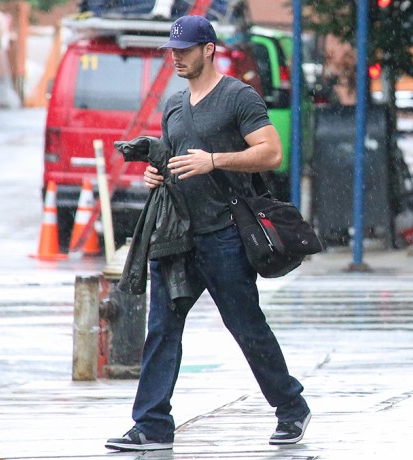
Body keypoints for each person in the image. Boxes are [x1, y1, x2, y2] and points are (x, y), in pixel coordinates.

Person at [105, 15, 310, 451]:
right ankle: (152, 425)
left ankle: (291, 408)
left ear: (209, 49)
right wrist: (155, 173)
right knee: (162, 328)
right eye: (173, 51)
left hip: (225, 235)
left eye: (185, 50)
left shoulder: (239, 97)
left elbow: (271, 153)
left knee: (246, 327)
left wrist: (214, 160)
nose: (177, 57)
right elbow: (175, 157)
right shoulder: (175, 104)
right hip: (177, 235)